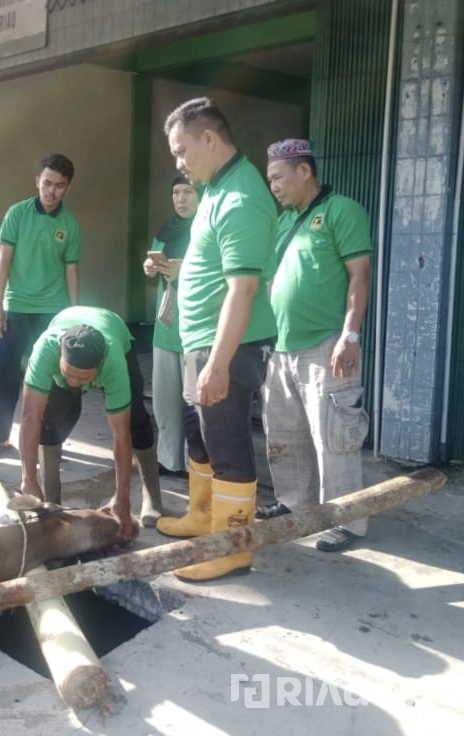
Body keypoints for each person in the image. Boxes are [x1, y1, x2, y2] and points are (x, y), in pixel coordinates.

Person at [155, 98, 278, 582]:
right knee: (199, 434)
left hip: (228, 347)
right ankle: (205, 518)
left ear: (209, 139)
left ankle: (232, 547)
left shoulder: (242, 198)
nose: (179, 164)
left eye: (182, 151)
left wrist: (219, 363)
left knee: (226, 444)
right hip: (200, 341)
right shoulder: (216, 190)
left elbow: (243, 288)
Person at [258, 139, 372, 552]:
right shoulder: (284, 220)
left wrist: (350, 335)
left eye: (277, 177)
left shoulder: (343, 210)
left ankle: (346, 519)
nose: (273, 186)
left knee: (333, 434)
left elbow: (360, 276)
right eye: (269, 179)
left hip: (327, 343)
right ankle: (295, 504)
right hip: (282, 345)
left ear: (304, 170)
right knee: (285, 431)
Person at [18, 306, 163, 541]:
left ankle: (153, 496)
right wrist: (28, 479)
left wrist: (122, 497)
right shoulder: (45, 350)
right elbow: (29, 419)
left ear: (102, 361)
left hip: (114, 329)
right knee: (50, 423)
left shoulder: (114, 360)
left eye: (83, 378)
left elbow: (121, 434)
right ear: (59, 352)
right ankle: (50, 502)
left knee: (136, 423)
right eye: (69, 374)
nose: (75, 382)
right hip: (66, 326)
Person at [0, 153, 82, 459]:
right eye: (47, 183)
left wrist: (74, 316)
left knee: (54, 377)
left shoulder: (70, 225)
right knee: (6, 373)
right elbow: (4, 261)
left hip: (53, 311)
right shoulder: (17, 214)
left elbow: (71, 271)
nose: (51, 191)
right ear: (37, 182)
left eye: (59, 186)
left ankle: (49, 442)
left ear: (68, 188)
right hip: (16, 307)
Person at [142, 173, 200, 478]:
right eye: (176, 192)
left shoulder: (207, 230)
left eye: (188, 192)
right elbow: (155, 282)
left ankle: (197, 464)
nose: (181, 199)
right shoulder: (165, 232)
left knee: (195, 403)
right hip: (166, 327)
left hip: (196, 328)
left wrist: (185, 271)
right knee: (165, 402)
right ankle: (168, 459)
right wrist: (150, 269)